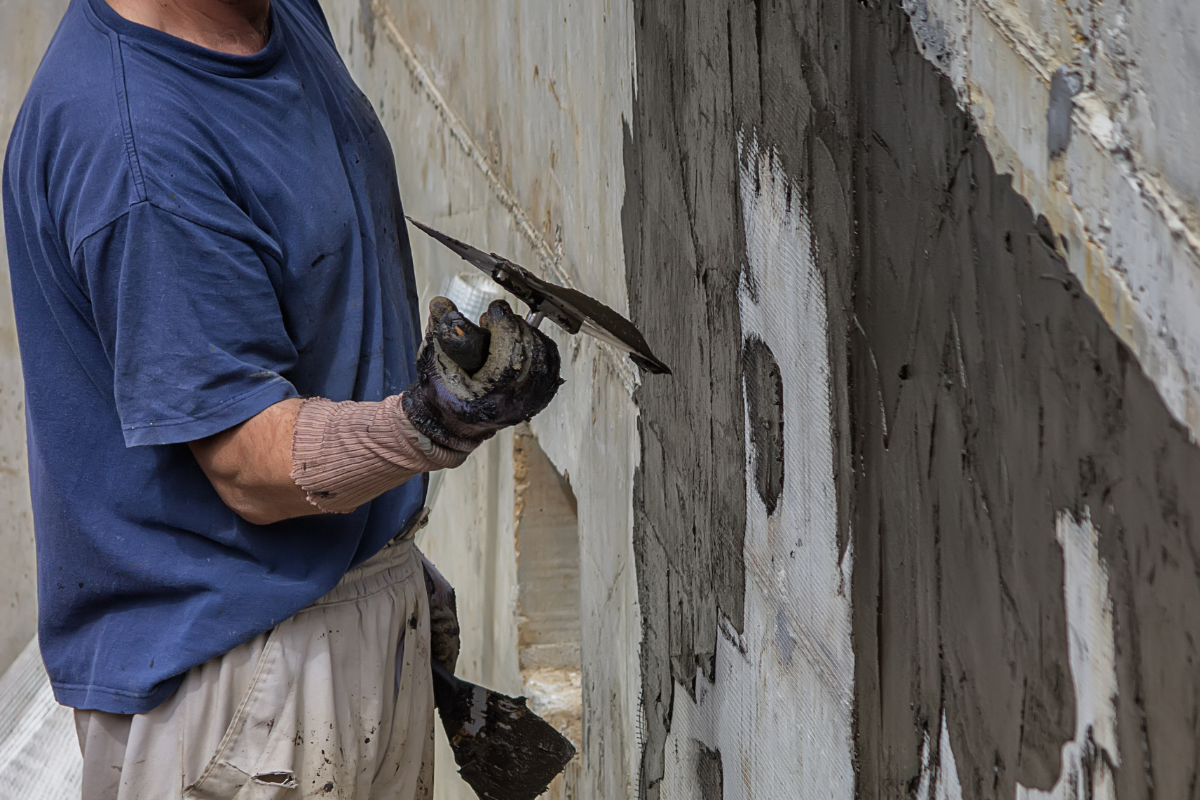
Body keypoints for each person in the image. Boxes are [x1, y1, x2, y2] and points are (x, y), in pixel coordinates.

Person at [1, 0, 562, 797]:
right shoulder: (138, 147)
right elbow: (248, 467)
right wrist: (433, 420)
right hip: (235, 684)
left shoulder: (271, 14)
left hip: (335, 612)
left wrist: (382, 555)